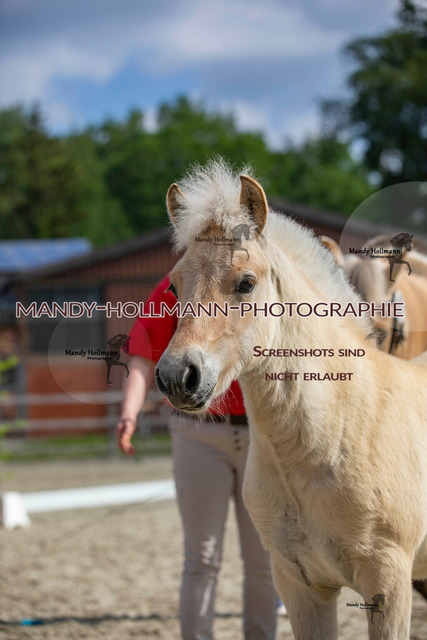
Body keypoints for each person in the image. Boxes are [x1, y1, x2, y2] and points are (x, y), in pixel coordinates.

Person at [117, 275, 278, 640]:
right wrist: (129, 413)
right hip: (199, 434)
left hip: (262, 436)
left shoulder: (259, 283)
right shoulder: (175, 284)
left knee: (264, 559)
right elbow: (142, 355)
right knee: (201, 557)